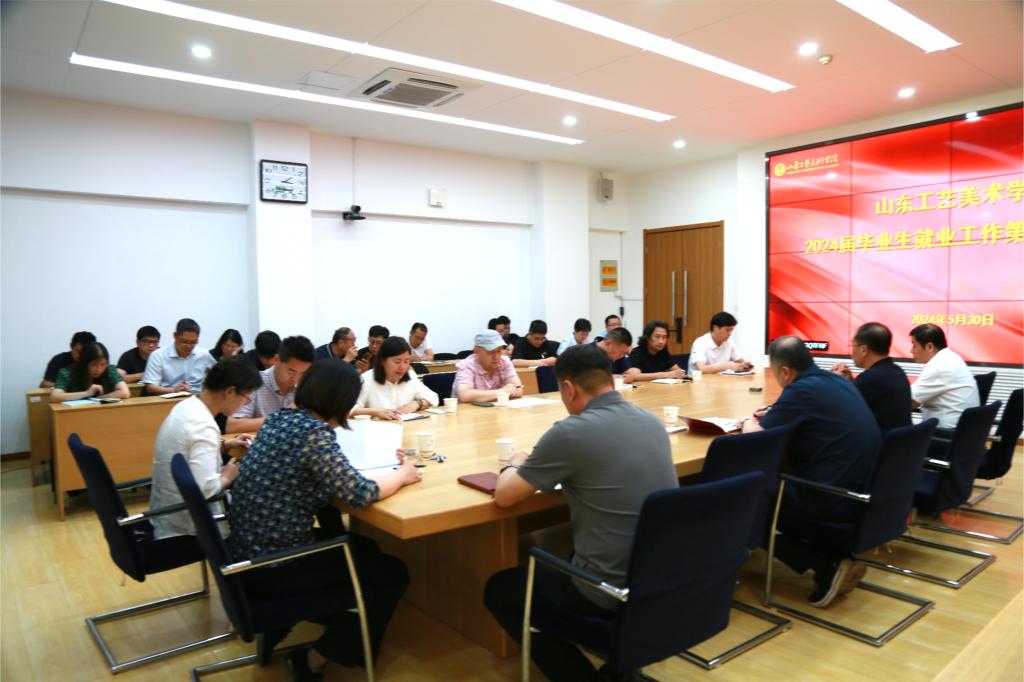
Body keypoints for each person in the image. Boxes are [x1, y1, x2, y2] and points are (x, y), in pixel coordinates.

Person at [484, 344, 677, 681]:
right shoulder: (651, 422)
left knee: (500, 590)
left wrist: (515, 463)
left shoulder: (570, 432)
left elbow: (505, 496)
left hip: (607, 590)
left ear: (568, 388)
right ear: (611, 380)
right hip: (661, 579)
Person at [227, 359, 421, 678]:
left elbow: (326, 478)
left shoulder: (280, 419)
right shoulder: (314, 434)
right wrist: (402, 475)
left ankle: (296, 625)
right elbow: (360, 493)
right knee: (392, 572)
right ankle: (315, 659)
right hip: (277, 565)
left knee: (367, 549)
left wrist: (387, 467)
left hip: (246, 553)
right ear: (340, 401)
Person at [742, 336, 880, 608]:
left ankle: (826, 565)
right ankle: (838, 556)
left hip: (834, 497)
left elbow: (757, 440)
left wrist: (747, 421)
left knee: (750, 505)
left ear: (784, 371)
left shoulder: (801, 391)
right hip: (865, 491)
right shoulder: (836, 381)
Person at [148, 356, 261, 539]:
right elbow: (205, 490)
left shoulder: (187, 406)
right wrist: (227, 476)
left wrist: (224, 445)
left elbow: (189, 451)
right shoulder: (203, 425)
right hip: (188, 528)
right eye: (246, 398)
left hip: (164, 514)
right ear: (230, 392)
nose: (244, 404)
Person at [831, 322, 912, 433]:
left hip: (877, 442)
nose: (851, 352)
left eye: (852, 346)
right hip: (899, 442)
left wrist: (834, 380)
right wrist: (851, 382)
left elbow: (839, 410)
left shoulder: (870, 379)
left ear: (863, 350)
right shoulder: (897, 372)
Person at [227, 335, 315, 433]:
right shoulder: (254, 383)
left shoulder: (305, 387)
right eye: (291, 371)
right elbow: (231, 426)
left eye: (302, 373)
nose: (296, 379)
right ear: (276, 360)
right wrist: (281, 418)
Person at [909, 324, 980, 431]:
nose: (911, 351)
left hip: (946, 434)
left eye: (914, 345)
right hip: (963, 431)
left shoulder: (939, 367)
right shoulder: (951, 357)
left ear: (929, 347)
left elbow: (909, 402)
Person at [352, 337, 439, 420]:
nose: (402, 367)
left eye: (406, 361)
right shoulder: (367, 379)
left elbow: (433, 397)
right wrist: (377, 412)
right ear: (382, 361)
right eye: (397, 362)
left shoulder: (411, 377)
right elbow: (349, 410)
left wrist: (416, 404)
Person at [142, 318, 217, 395]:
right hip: (167, 398)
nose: (188, 346)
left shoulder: (204, 354)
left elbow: (219, 374)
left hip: (197, 397)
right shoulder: (158, 355)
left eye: (193, 342)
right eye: (184, 342)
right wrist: (173, 390)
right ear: (175, 336)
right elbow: (151, 387)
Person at [452, 330, 524, 403]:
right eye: (490, 352)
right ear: (476, 351)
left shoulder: (504, 362)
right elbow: (465, 395)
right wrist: (503, 391)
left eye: (499, 351)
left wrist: (504, 392)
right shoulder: (467, 365)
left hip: (495, 409)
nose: (496, 357)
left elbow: (518, 389)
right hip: (467, 410)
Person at [50, 342, 130, 403]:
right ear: (84, 363)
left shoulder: (110, 370)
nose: (99, 369)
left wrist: (99, 398)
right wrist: (87, 393)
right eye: (94, 364)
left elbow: (125, 392)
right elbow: (54, 396)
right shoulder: (67, 373)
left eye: (103, 364)